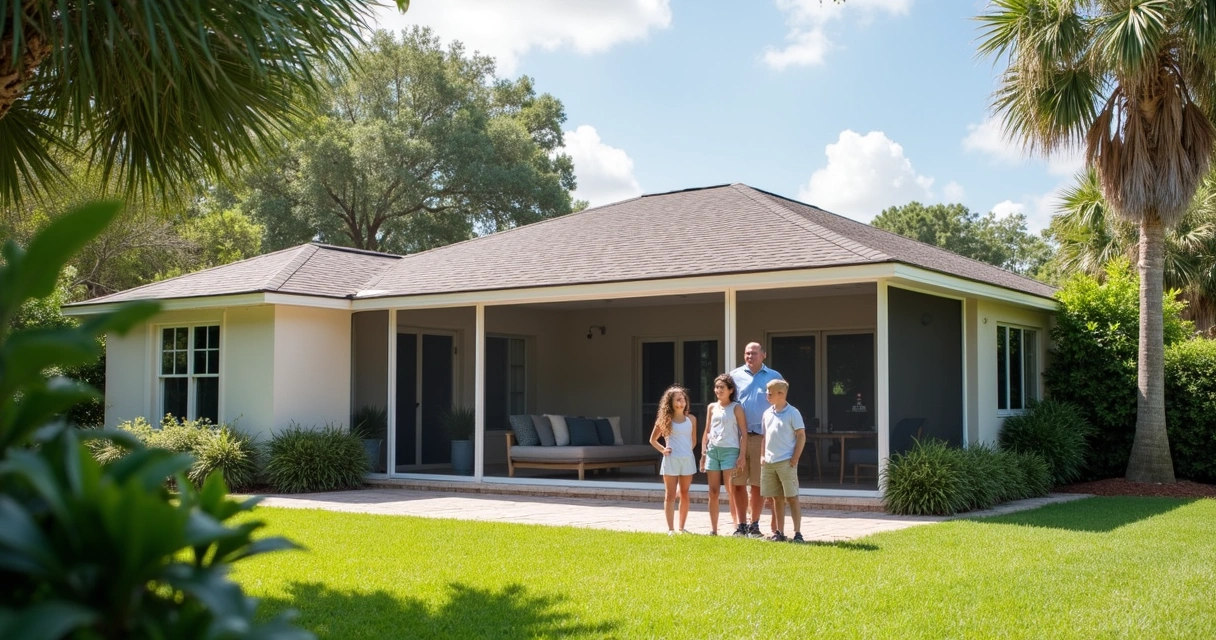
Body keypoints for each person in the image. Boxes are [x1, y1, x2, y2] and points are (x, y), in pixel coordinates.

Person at [729, 342, 782, 537]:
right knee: (738, 482)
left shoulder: (774, 377)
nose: (749, 356)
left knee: (758, 484)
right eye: (747, 353)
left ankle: (755, 524)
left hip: (762, 438)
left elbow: (781, 405)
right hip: (738, 438)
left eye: (754, 353)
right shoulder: (734, 376)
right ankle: (741, 525)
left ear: (763, 355)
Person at [700, 374, 748, 535]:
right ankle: (714, 529)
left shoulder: (736, 408)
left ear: (730, 390)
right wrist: (703, 453)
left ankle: (737, 527)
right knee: (713, 492)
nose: (718, 390)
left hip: (730, 451)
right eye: (716, 387)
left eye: (722, 387)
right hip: (713, 451)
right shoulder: (711, 407)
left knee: (731, 490)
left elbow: (743, 434)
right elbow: (707, 431)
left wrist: (742, 455)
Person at [760, 379, 806, 543]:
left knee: (792, 497)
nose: (767, 395)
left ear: (781, 394)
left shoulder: (793, 413)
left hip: (786, 462)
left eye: (770, 393)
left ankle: (798, 533)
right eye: (767, 392)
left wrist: (794, 458)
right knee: (776, 498)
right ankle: (779, 532)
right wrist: (762, 455)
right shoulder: (767, 413)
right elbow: (765, 437)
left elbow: (801, 435)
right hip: (769, 463)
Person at [649, 385, 697, 535]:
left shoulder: (691, 419)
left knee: (684, 493)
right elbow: (653, 440)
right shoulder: (665, 420)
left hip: (687, 460)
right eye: (677, 399)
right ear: (670, 402)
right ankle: (671, 529)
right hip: (671, 461)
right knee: (670, 495)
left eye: (683, 399)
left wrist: (687, 451)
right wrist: (663, 450)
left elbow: (693, 439)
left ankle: (682, 528)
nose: (681, 402)